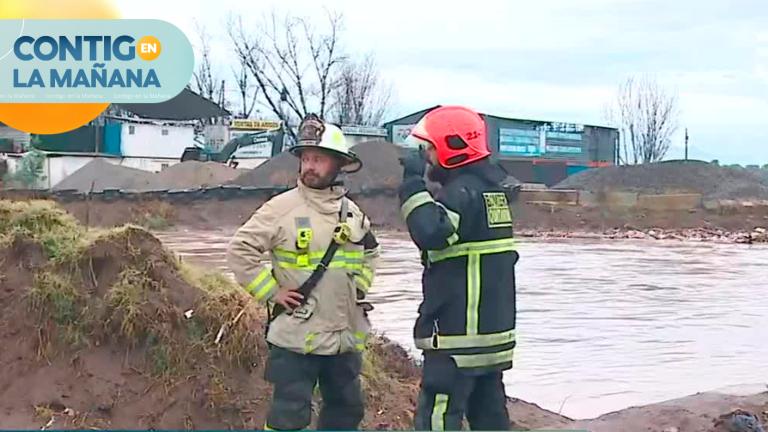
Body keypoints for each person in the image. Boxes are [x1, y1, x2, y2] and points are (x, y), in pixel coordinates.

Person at [227, 114, 380, 431]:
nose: (309, 166)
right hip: (296, 338)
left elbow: (371, 252)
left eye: (318, 159)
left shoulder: (352, 213)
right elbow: (240, 251)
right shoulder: (281, 209)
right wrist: (272, 292)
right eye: (306, 159)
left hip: (343, 340)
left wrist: (359, 290)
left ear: (338, 164)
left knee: (346, 412)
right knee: (289, 416)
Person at [398, 105, 519, 430]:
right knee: (490, 417)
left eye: (430, 148)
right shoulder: (493, 193)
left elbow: (431, 232)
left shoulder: (461, 194)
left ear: (452, 149)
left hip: (457, 339)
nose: (427, 157)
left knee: (438, 419)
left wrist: (412, 185)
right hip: (491, 338)